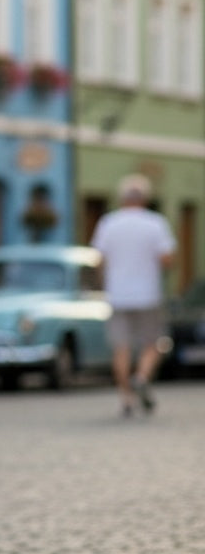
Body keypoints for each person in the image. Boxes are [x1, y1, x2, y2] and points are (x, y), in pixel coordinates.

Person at [90, 173, 176, 416]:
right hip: (148, 293)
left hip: (118, 294)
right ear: (145, 198)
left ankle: (126, 398)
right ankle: (142, 375)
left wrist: (103, 283)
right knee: (154, 343)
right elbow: (167, 259)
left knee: (121, 347)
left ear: (122, 198)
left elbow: (99, 260)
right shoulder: (156, 223)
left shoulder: (108, 222)